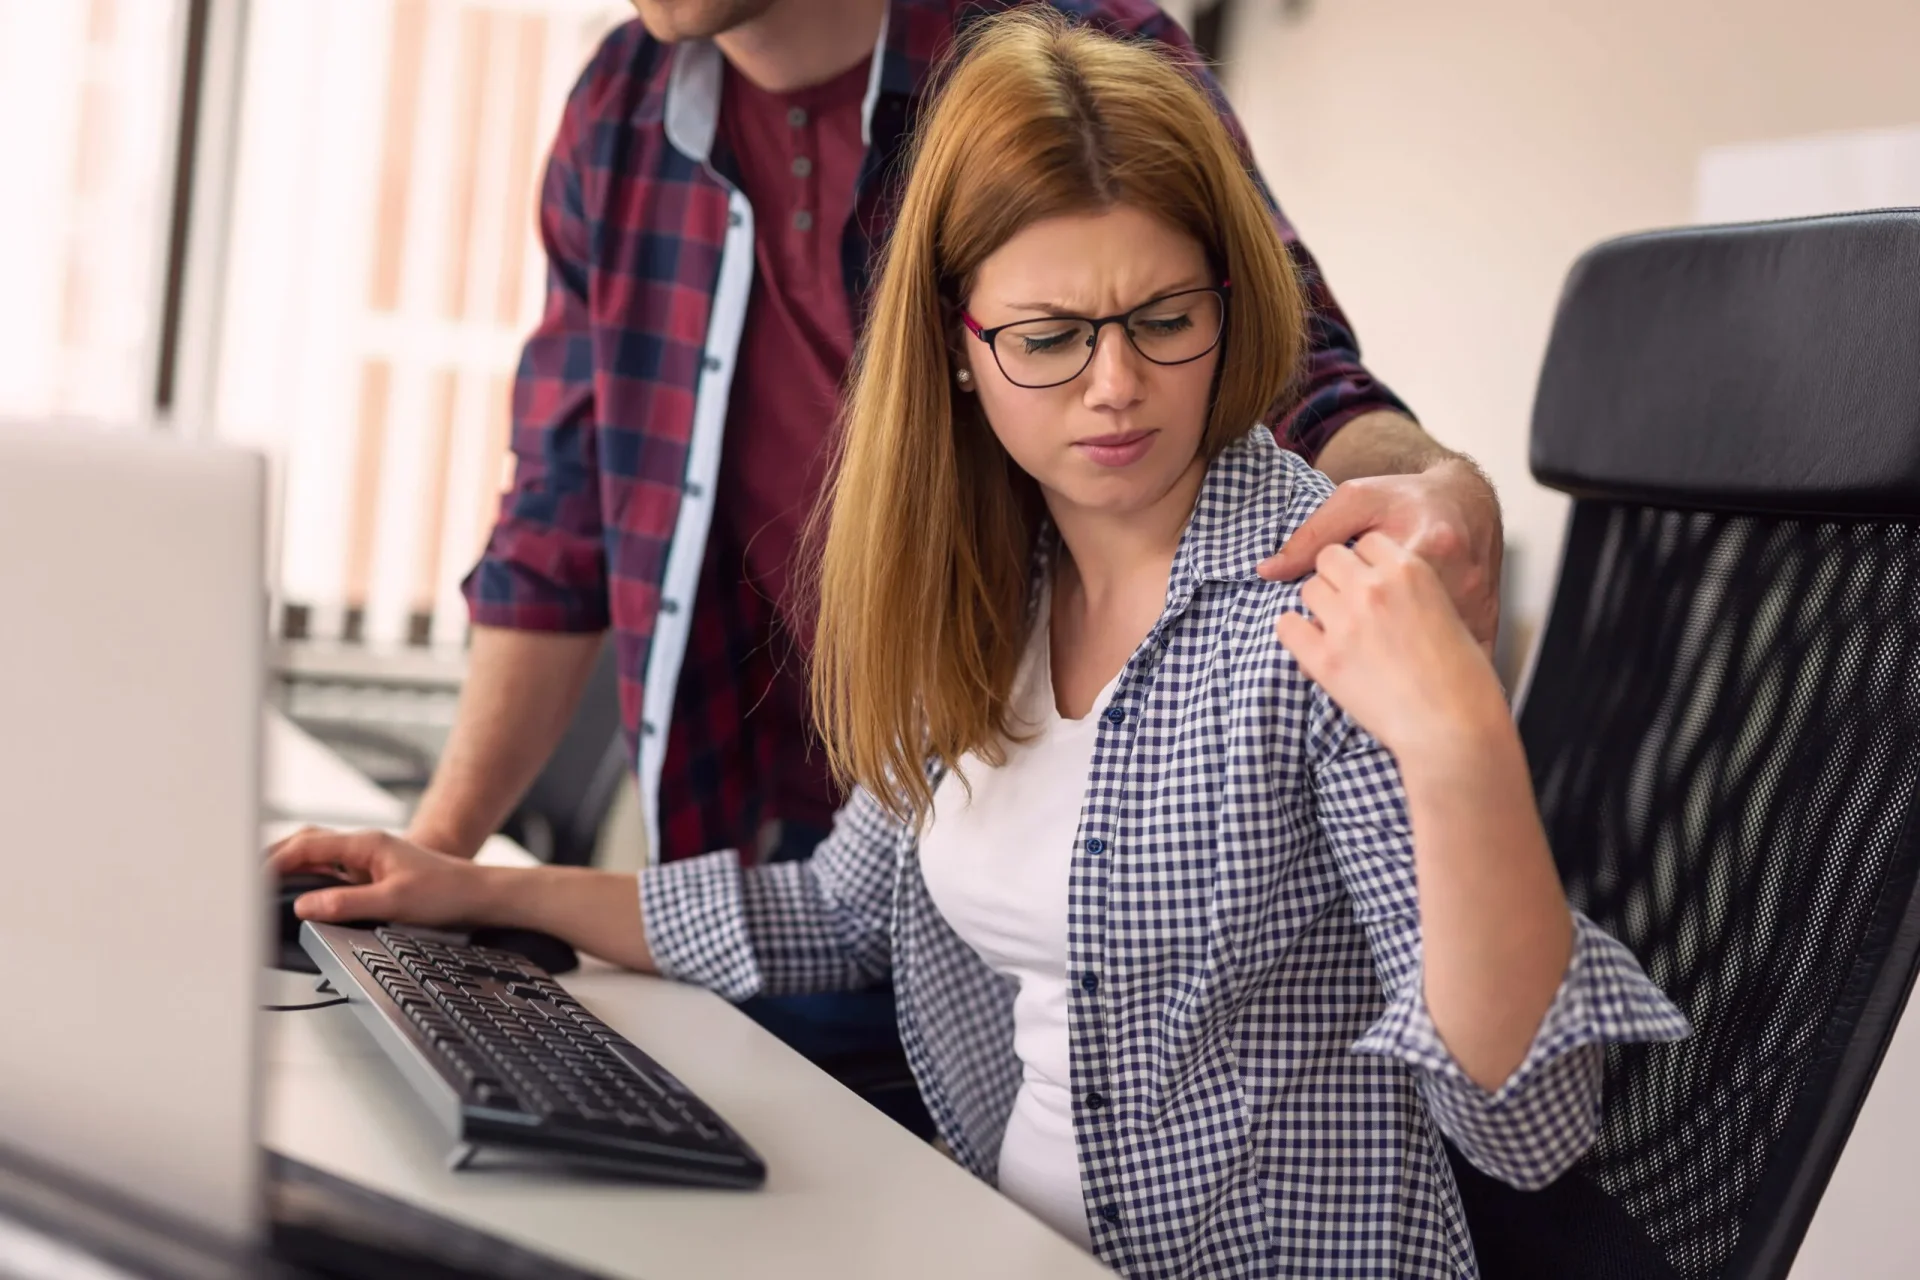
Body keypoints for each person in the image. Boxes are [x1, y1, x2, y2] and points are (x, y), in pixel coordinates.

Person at [274, 13, 1686, 1274]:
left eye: (1165, 319)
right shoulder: (990, 592)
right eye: (1050, 337)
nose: (1118, 386)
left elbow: (1527, 1129)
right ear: (956, 347)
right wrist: (473, 888)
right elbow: (835, 912)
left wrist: (1461, 742)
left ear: (1230, 304)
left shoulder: (1319, 613)